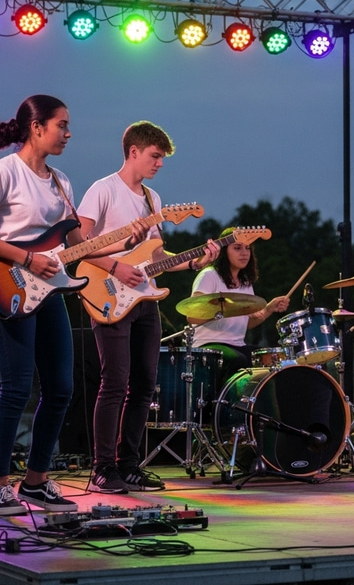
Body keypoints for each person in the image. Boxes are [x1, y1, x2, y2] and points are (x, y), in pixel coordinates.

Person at [0, 95, 86, 515]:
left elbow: (80, 245)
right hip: (8, 285)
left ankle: (35, 482)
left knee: (61, 388)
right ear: (36, 127)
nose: (68, 133)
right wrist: (27, 258)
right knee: (16, 388)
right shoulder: (4, 171)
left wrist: (128, 242)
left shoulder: (62, 182)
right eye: (61, 125)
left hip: (48, 291)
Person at [77, 121, 219, 495]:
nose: (160, 163)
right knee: (114, 382)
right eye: (155, 156)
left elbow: (155, 257)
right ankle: (103, 468)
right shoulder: (102, 190)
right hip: (109, 294)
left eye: (162, 158)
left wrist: (195, 261)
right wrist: (115, 267)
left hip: (145, 298)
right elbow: (79, 246)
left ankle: (129, 465)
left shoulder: (152, 199)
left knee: (143, 385)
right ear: (134, 151)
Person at [191, 227, 290, 386]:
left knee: (268, 360)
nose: (244, 253)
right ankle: (229, 402)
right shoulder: (209, 275)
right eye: (237, 248)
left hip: (238, 344)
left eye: (247, 248)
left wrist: (269, 309)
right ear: (224, 252)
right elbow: (192, 315)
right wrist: (226, 308)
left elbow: (247, 322)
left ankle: (259, 402)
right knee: (239, 360)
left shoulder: (246, 283)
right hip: (208, 344)